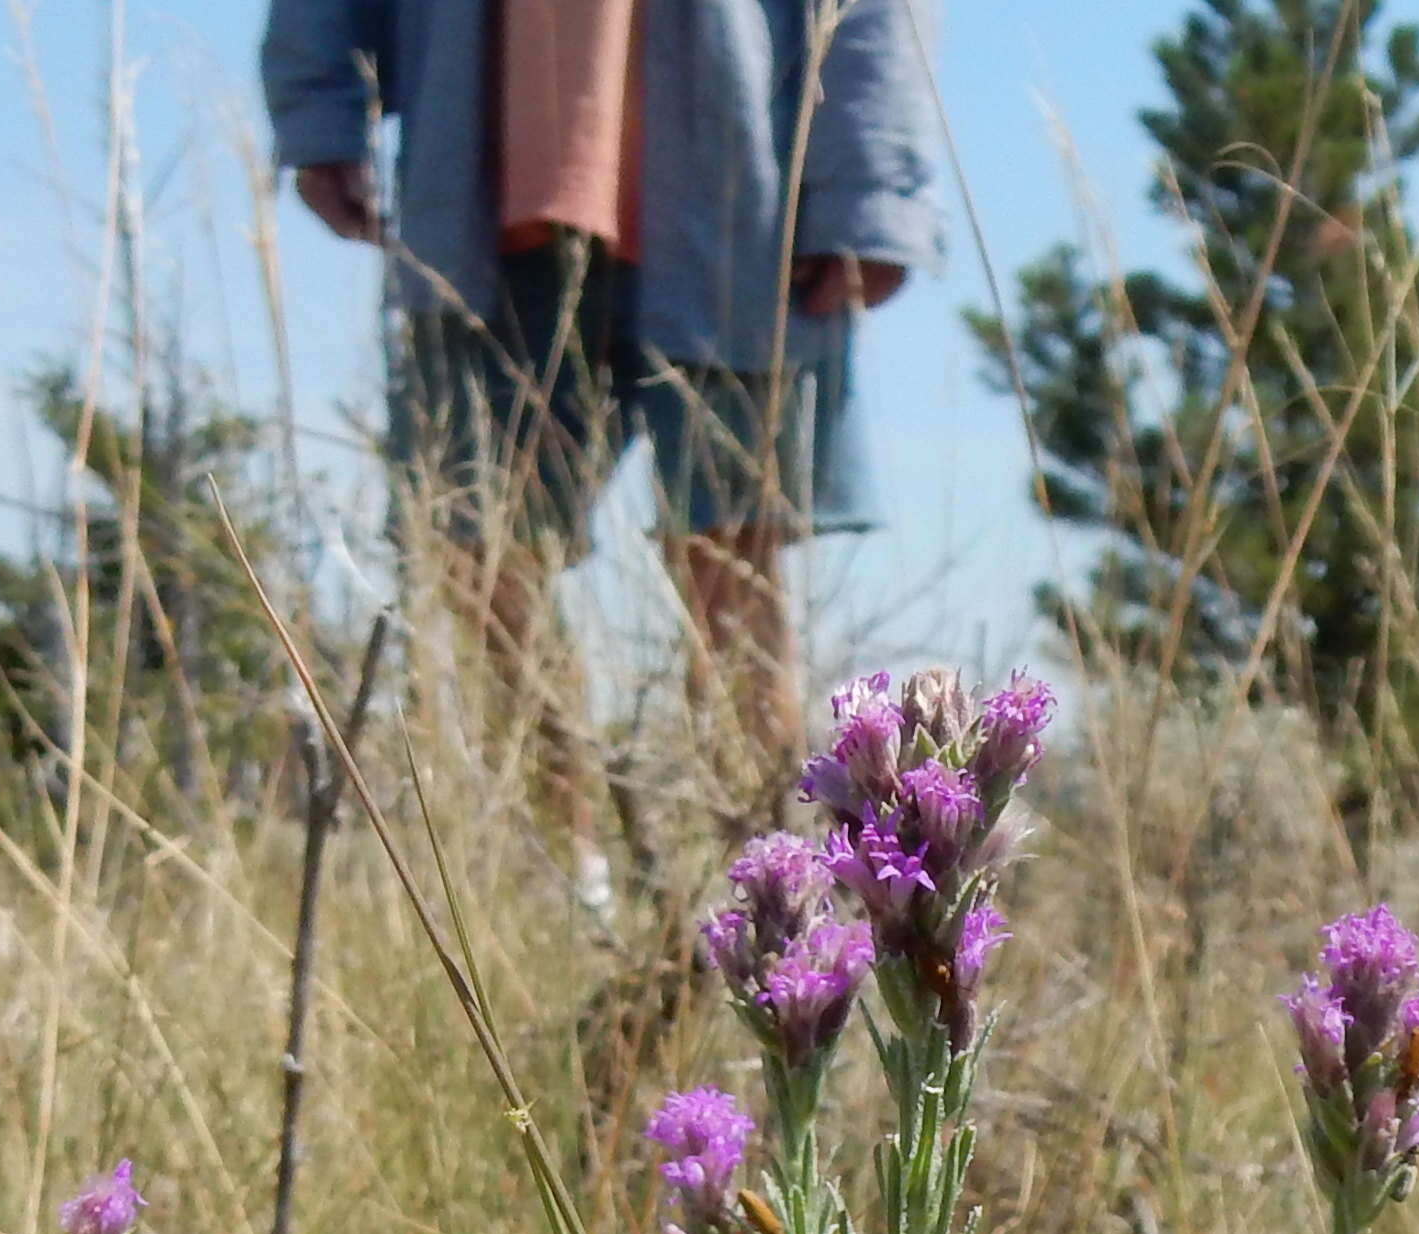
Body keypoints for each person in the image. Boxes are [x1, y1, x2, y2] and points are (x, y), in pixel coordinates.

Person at [262, 0, 943, 883]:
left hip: (736, 188)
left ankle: (771, 885)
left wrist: (871, 195)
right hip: (479, 185)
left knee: (729, 553)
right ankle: (569, 880)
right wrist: (319, 110)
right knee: (477, 546)